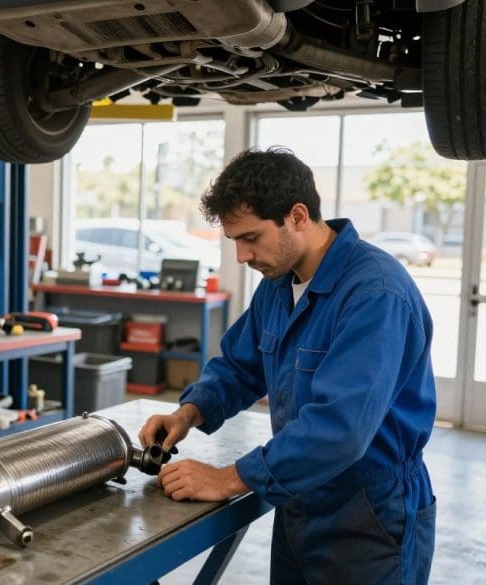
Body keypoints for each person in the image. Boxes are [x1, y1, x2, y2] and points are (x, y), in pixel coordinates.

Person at [139, 147, 437, 584]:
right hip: (301, 496)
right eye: (234, 241)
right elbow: (240, 366)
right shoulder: (279, 284)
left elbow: (340, 428)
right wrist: (188, 413)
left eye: (251, 237)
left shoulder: (375, 294)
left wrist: (228, 479)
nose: (242, 256)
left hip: (369, 511)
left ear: (298, 216)